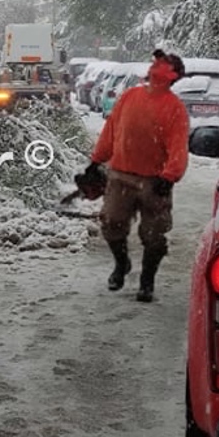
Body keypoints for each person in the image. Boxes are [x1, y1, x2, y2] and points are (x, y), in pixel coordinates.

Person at [82, 49, 190, 302]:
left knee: (154, 235)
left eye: (162, 66)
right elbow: (111, 130)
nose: (155, 69)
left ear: (173, 76)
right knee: (111, 223)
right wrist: (96, 160)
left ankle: (147, 281)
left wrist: (169, 176)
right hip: (121, 175)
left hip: (155, 181)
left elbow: (178, 146)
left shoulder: (174, 109)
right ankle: (122, 264)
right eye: (155, 64)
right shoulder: (130, 97)